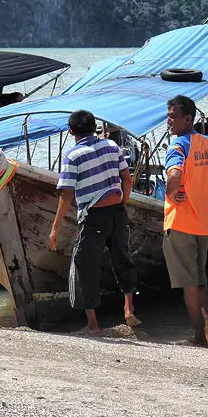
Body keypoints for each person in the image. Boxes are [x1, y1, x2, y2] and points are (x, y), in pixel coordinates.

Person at [49, 109, 139, 334]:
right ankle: (129, 308)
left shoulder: (73, 156)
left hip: (94, 217)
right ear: (94, 127)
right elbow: (126, 178)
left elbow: (67, 193)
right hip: (117, 211)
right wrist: (122, 204)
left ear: (71, 131)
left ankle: (93, 325)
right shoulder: (112, 146)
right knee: (122, 258)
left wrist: (55, 227)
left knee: (84, 265)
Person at [163, 95, 208, 348]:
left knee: (189, 285)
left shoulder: (177, 146)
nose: (169, 121)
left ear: (188, 118)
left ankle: (198, 337)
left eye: (173, 116)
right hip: (203, 224)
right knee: (200, 281)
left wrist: (170, 195)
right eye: (168, 116)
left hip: (181, 222)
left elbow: (174, 175)